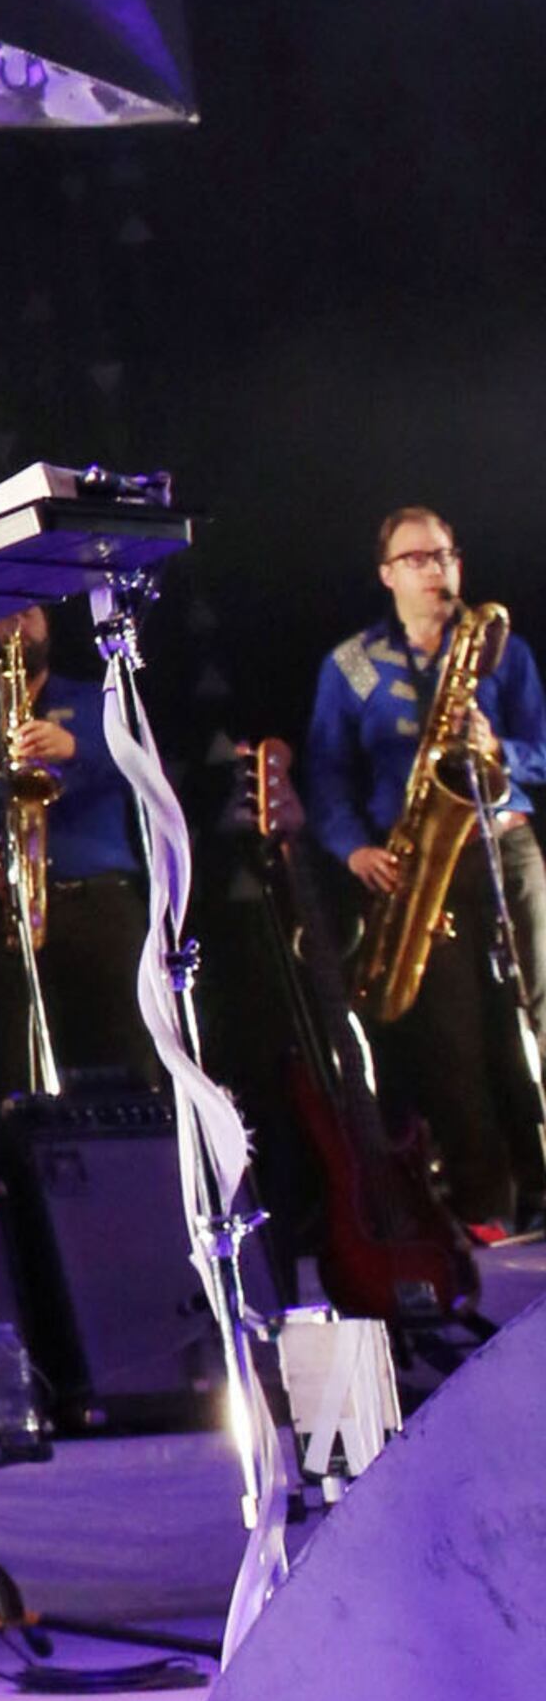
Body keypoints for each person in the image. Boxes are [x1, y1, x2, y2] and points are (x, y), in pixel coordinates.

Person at [303, 506, 546, 1233]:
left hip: (504, 845)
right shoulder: (348, 664)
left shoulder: (501, 647)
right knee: (454, 1045)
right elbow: (324, 772)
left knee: (538, 1015)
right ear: (387, 574)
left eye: (445, 555)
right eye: (418, 558)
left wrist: (499, 749)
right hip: (417, 865)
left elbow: (543, 748)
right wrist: (353, 847)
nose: (437, 569)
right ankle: (488, 1214)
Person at [0, 604, 145, 1091]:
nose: (18, 622)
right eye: (1, 614)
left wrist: (76, 750)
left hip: (102, 902)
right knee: (14, 1070)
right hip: (11, 910)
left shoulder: (100, 703)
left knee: (131, 1058)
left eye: (30, 611)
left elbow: (150, 780)